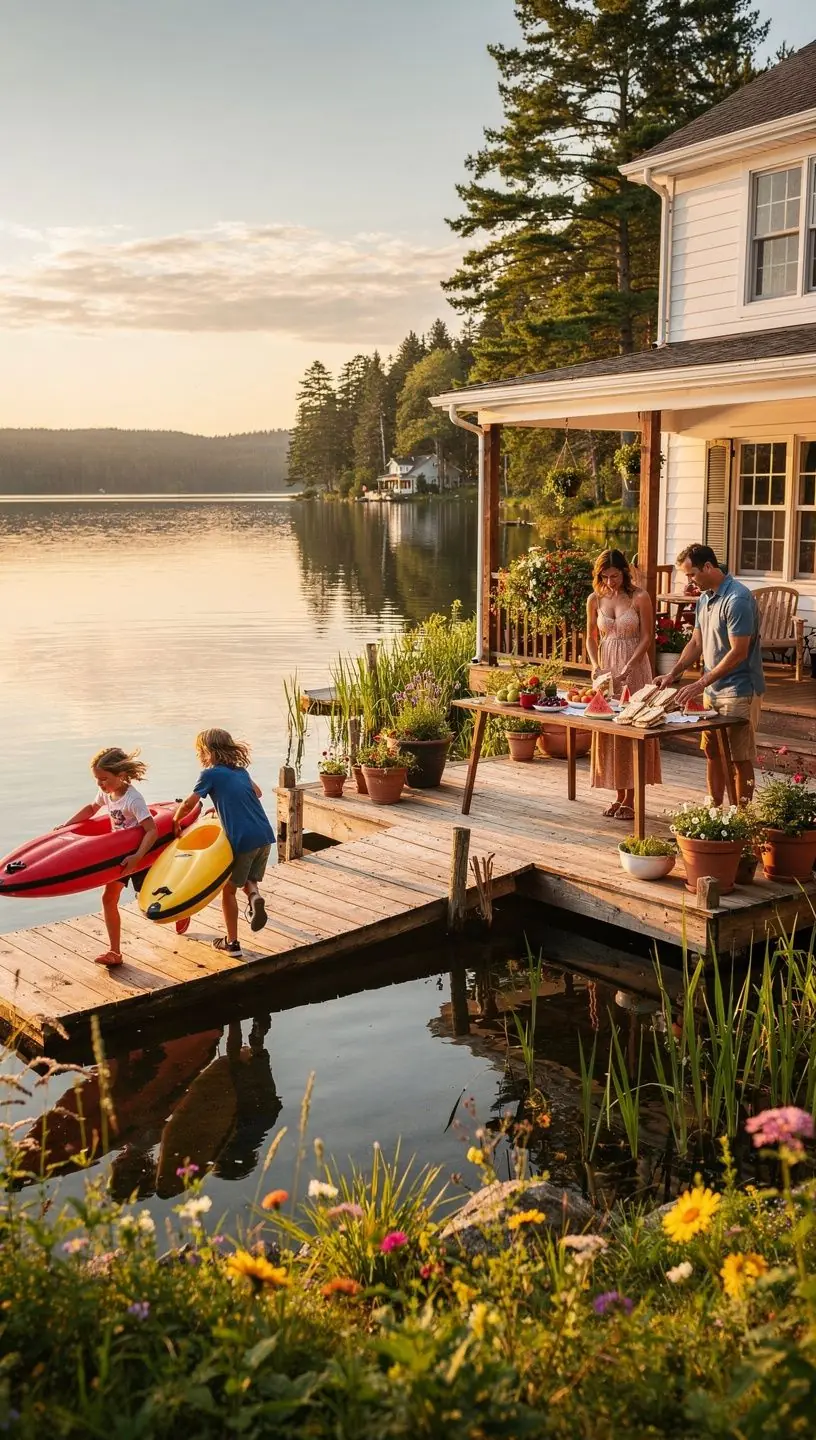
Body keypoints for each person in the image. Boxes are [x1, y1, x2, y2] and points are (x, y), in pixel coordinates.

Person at [655, 543, 765, 806]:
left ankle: (742, 819)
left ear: (707, 566)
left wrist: (701, 682)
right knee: (713, 753)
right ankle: (714, 813)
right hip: (712, 691)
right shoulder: (705, 598)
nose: (689, 581)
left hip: (740, 690)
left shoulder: (737, 599)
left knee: (739, 758)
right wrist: (673, 673)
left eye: (691, 574)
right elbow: (696, 643)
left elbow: (739, 652)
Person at [173, 728, 274, 958]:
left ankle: (232, 943)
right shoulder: (241, 771)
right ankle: (255, 897)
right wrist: (221, 806)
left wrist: (177, 819)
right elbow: (257, 794)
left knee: (228, 892)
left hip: (244, 839)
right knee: (248, 877)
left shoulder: (209, 774)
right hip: (264, 835)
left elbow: (189, 804)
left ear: (207, 752)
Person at [60, 746, 157, 967]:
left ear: (121, 776)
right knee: (108, 898)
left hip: (140, 855)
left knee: (152, 900)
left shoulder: (134, 799)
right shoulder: (106, 792)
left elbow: (152, 830)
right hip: (118, 857)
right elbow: (92, 808)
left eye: (103, 779)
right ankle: (115, 952)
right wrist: (66, 827)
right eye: (97, 779)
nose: (99, 784)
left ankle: (181, 914)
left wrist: (137, 857)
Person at [585, 549, 661, 820]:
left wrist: (630, 666)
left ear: (625, 572)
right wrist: (595, 665)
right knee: (610, 732)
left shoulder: (640, 597)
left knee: (633, 727)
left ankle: (633, 798)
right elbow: (591, 638)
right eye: (604, 576)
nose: (610, 582)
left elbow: (647, 637)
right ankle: (619, 796)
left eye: (614, 576)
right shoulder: (595, 598)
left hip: (635, 667)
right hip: (607, 668)